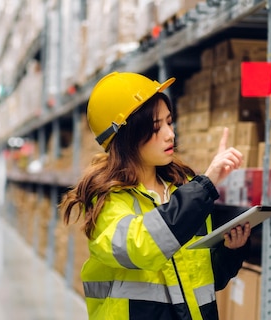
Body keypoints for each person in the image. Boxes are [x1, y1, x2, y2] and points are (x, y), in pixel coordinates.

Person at [59, 72, 251, 320]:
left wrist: (230, 251)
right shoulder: (109, 200)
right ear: (126, 137)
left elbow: (202, 280)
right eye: (155, 127)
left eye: (169, 122)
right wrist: (206, 184)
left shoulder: (183, 189)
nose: (170, 134)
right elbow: (145, 246)